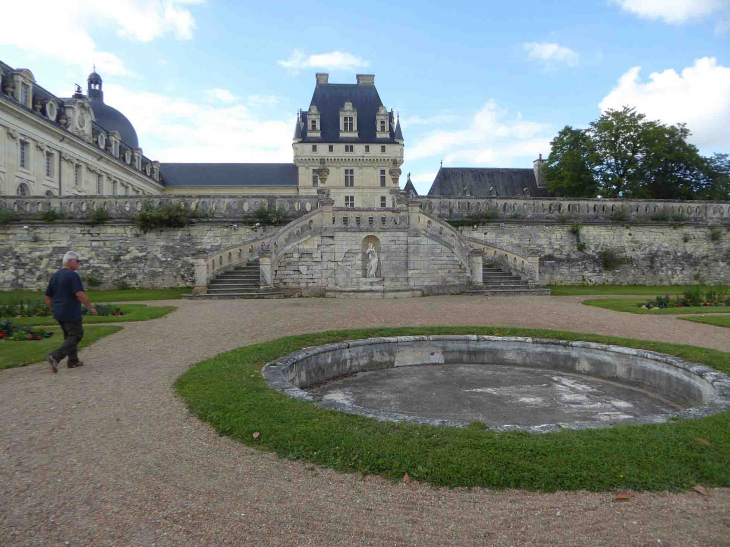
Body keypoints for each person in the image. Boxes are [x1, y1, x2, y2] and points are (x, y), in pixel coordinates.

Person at [44, 251, 97, 373]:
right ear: (70, 261)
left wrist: (52, 309)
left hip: (58, 312)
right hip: (70, 311)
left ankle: (73, 360)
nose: (79, 264)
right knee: (76, 334)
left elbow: (47, 297)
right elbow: (79, 293)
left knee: (69, 336)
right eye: (77, 261)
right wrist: (90, 307)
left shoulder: (55, 276)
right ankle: (55, 357)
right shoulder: (72, 275)